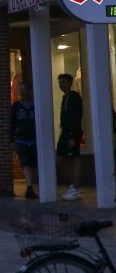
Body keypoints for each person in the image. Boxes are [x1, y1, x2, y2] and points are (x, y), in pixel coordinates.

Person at [58, 73, 84, 201]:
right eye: (59, 83)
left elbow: (76, 116)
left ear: (69, 83)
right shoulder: (65, 97)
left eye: (63, 82)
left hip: (71, 133)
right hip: (66, 132)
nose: (60, 85)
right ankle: (73, 185)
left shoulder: (74, 97)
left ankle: (76, 187)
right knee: (64, 158)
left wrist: (73, 136)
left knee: (75, 158)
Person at [10, 82, 38, 199]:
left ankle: (34, 184)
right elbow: (12, 123)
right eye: (20, 90)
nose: (22, 92)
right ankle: (29, 187)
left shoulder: (36, 105)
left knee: (33, 164)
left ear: (30, 91)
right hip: (21, 140)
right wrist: (11, 139)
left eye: (24, 90)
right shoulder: (16, 106)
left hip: (35, 140)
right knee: (25, 163)